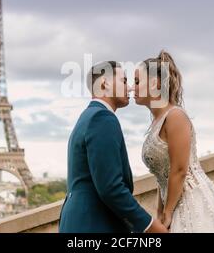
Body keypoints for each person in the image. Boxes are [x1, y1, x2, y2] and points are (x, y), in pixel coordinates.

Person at [133, 50, 214, 233]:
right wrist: (160, 212)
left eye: (137, 82)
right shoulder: (156, 123)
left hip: (192, 201)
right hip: (171, 203)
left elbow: (179, 170)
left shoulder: (175, 116)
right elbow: (163, 176)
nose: (132, 88)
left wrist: (168, 213)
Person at [59, 61, 167, 233]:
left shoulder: (87, 117)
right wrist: (149, 226)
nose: (130, 88)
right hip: (94, 224)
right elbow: (111, 187)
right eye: (124, 81)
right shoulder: (102, 118)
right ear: (104, 84)